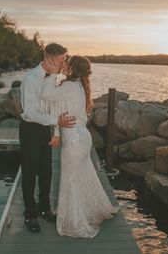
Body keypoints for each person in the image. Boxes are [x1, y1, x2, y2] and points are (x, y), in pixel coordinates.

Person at [41, 55, 119, 238]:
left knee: (72, 180)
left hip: (75, 141)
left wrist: (53, 74)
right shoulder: (78, 86)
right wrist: (58, 134)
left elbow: (46, 95)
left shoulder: (69, 86)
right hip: (81, 138)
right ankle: (90, 211)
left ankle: (76, 222)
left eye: (67, 64)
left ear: (73, 68)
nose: (65, 65)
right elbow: (62, 110)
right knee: (82, 176)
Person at [19, 43, 76, 233]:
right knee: (29, 173)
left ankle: (44, 209)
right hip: (30, 130)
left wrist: (56, 131)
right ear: (50, 59)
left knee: (46, 172)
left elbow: (53, 105)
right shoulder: (30, 79)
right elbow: (29, 113)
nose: (64, 63)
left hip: (45, 130)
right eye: (62, 60)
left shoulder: (54, 78)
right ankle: (31, 215)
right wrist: (56, 121)